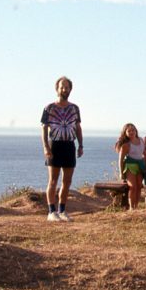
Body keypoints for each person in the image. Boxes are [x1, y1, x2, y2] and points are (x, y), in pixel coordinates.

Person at [41, 76, 83, 222]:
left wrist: (80, 145)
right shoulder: (49, 108)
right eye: (62, 87)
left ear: (70, 89)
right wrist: (46, 147)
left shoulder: (75, 108)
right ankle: (51, 212)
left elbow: (78, 127)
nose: (64, 89)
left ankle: (62, 210)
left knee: (67, 181)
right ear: (57, 89)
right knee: (53, 180)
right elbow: (44, 128)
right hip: (55, 145)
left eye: (67, 87)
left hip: (69, 145)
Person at [115, 123, 146, 211]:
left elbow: (144, 154)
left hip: (140, 166)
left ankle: (136, 206)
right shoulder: (126, 145)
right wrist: (121, 173)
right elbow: (120, 160)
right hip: (130, 166)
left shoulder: (141, 140)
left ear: (136, 131)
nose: (131, 132)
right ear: (125, 133)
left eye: (133, 130)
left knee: (139, 186)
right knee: (132, 187)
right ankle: (131, 207)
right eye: (129, 131)